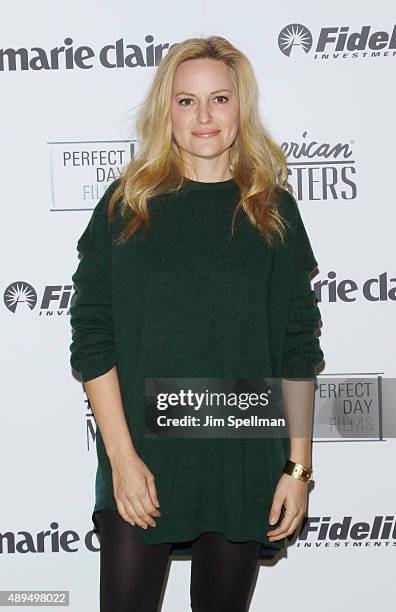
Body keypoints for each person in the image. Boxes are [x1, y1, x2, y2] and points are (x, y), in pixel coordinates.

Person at [69, 35, 324, 612]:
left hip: (242, 454)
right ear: (167, 112)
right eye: (186, 101)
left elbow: (297, 347)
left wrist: (298, 468)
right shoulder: (127, 205)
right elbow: (92, 339)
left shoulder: (273, 211)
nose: (204, 116)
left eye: (219, 98)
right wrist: (123, 461)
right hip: (145, 458)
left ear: (241, 107)